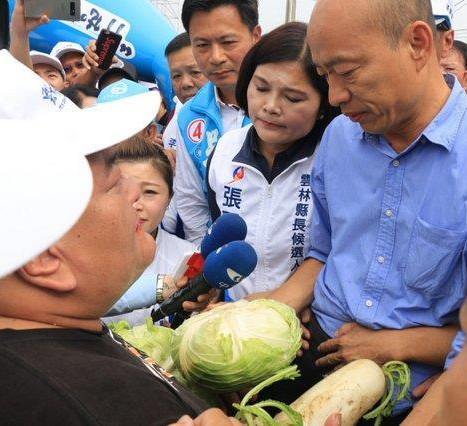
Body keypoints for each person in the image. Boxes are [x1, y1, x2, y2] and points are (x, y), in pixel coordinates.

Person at [250, 0, 467, 421]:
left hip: (406, 389)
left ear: (418, 44)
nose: (335, 96)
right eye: (323, 76)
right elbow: (325, 250)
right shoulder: (340, 137)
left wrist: (401, 349)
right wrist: (269, 314)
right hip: (313, 347)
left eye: (348, 72)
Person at [206, 22, 338, 300]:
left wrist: (291, 306)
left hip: (306, 322)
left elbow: (339, 255)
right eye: (262, 88)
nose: (271, 106)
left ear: (324, 104)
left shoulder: (336, 160)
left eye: (292, 97)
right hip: (231, 318)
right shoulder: (224, 152)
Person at [174, 0, 261, 243]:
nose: (215, 57)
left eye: (227, 42)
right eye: (202, 45)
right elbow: (191, 201)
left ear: (256, 35)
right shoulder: (189, 117)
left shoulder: (285, 105)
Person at [103, 136, 214, 325]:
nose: (136, 203)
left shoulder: (189, 259)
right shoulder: (79, 251)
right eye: (121, 190)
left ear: (170, 198)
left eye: (150, 192)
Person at [162, 32, 208, 151]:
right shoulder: (175, 115)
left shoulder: (242, 120)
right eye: (176, 76)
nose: (185, 83)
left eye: (195, 72)